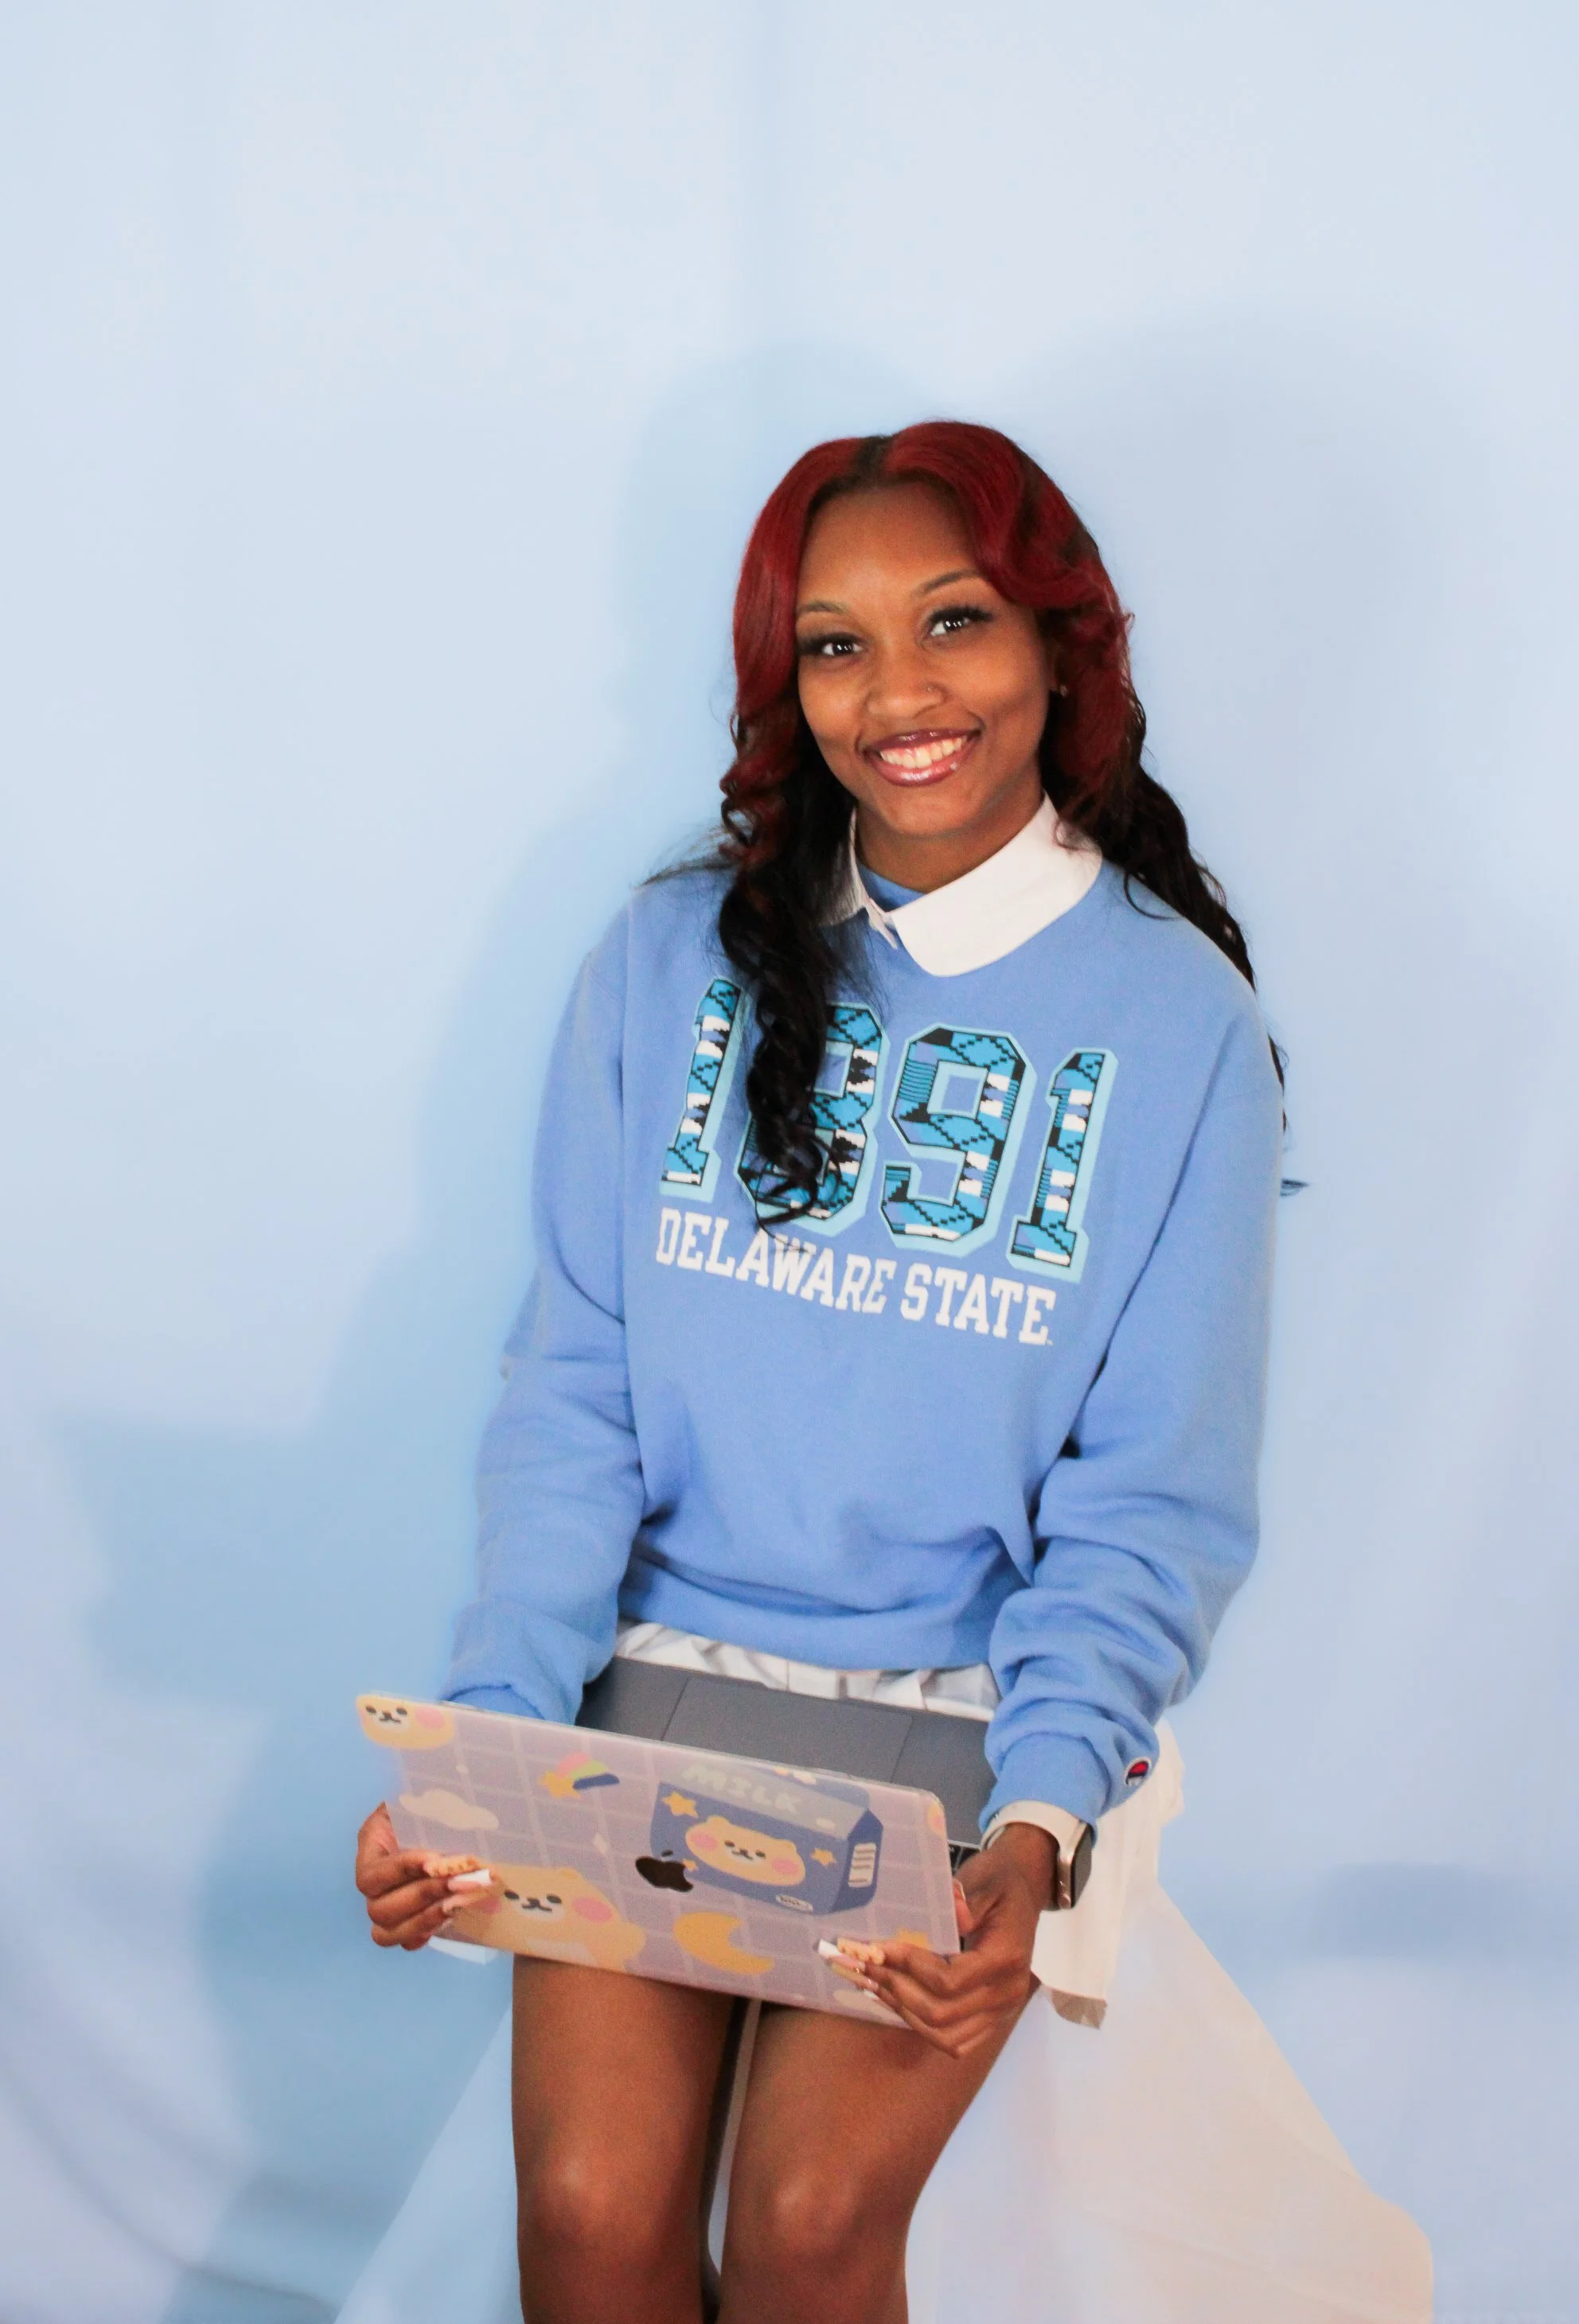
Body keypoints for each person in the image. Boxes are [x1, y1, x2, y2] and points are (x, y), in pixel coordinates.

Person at [353, 422, 1431, 2324]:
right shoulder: (665, 957)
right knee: (595, 2215)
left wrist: (1039, 1818)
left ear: (1056, 648)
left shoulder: (1177, 1021)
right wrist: (486, 1748)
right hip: (654, 1697)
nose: (898, 693)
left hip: (957, 1723)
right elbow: (574, 1385)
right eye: (832, 646)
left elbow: (1148, 1494)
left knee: (799, 2230)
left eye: (953, 622)